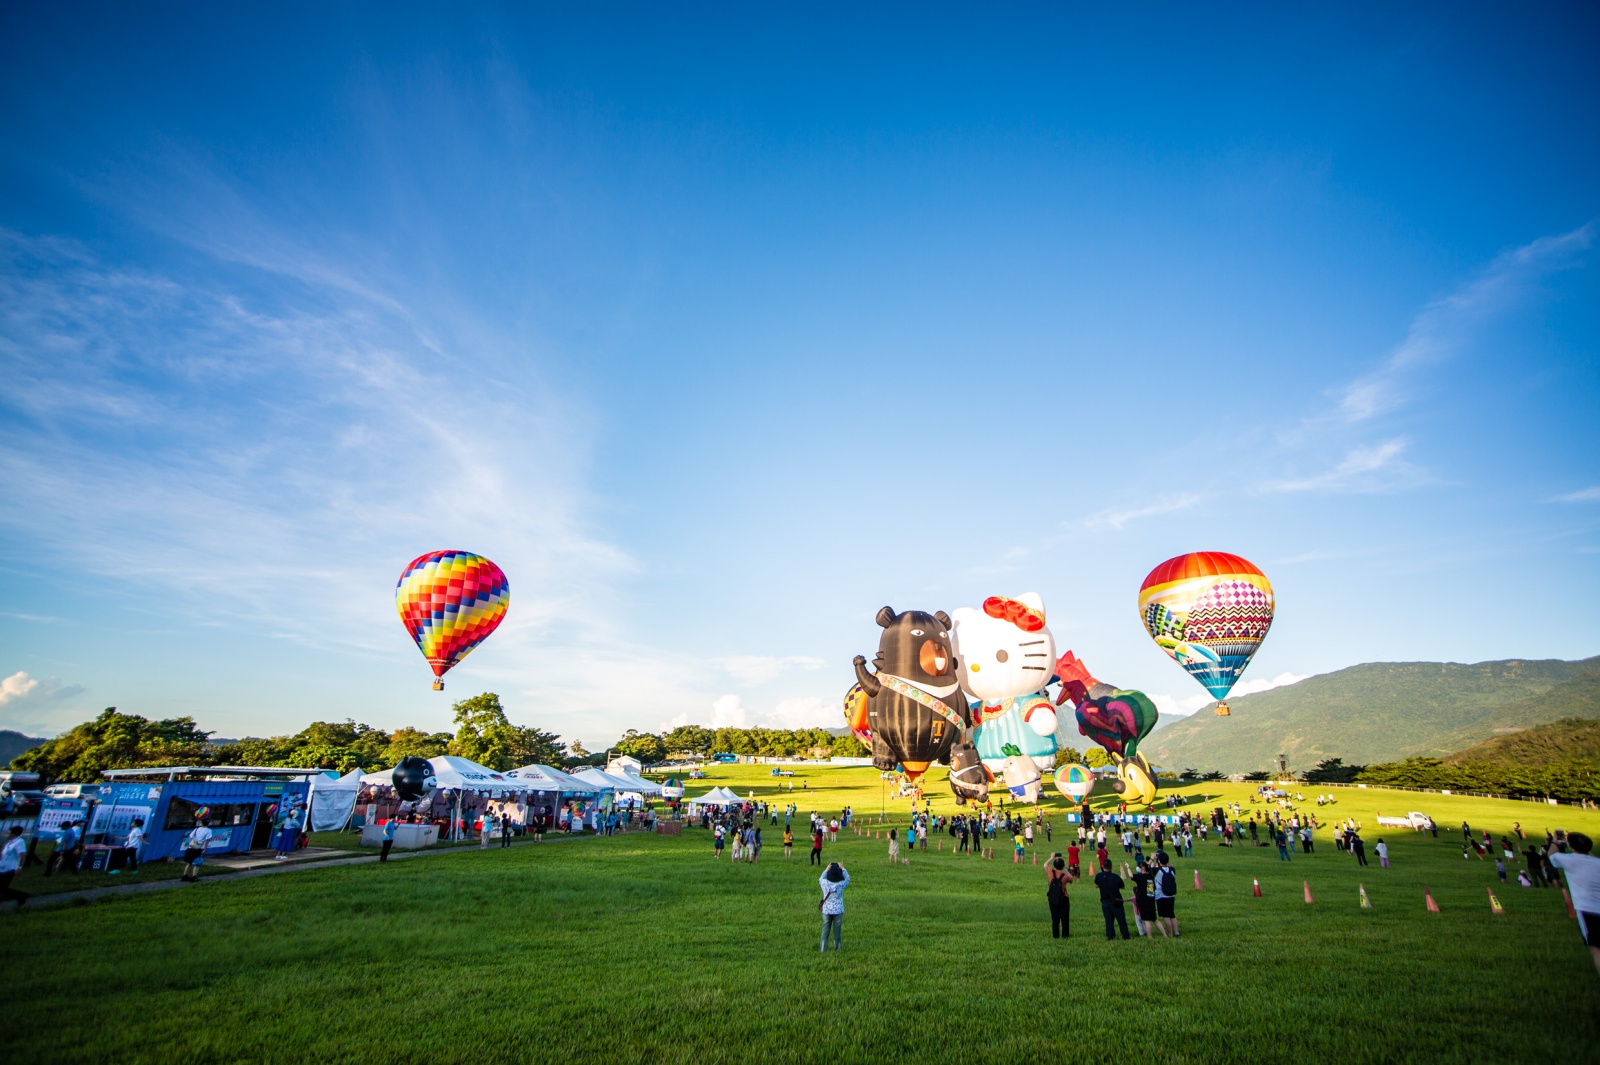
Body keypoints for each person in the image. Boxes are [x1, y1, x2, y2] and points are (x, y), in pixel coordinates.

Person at [1549, 831, 1600, 976]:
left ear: (1570, 845)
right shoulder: (1598, 862)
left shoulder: (1569, 860)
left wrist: (1554, 841)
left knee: (1596, 950)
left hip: (1588, 911)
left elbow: (1551, 855)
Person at [1094, 861, 1130, 940]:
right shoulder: (1116, 877)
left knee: (1108, 920)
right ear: (1111, 867)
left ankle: (1110, 936)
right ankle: (1125, 936)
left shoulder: (1099, 876)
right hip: (1116, 900)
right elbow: (1122, 886)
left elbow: (1096, 885)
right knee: (1121, 920)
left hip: (1105, 901)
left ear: (1103, 866)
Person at [819, 861, 849, 952]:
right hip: (838, 911)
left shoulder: (824, 883)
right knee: (837, 932)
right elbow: (848, 879)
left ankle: (823, 950)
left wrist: (826, 869)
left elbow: (820, 878)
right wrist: (843, 868)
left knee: (825, 931)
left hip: (826, 911)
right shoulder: (841, 885)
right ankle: (837, 949)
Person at [0, 826, 28, 908]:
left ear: (14, 833)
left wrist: (20, 867)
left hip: (10, 869)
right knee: (2, 888)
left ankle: (21, 896)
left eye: (9, 833)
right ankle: (20, 896)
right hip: (2, 868)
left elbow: (22, 854)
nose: (7, 834)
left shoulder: (19, 842)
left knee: (2, 888)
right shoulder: (9, 842)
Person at [1154, 853, 1180, 937]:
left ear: (1159, 861)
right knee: (1172, 914)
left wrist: (1152, 858)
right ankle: (1176, 932)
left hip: (1161, 895)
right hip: (1171, 895)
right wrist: (1167, 861)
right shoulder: (1171, 869)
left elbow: (1146, 868)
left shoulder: (1157, 870)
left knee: (1166, 915)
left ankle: (1170, 934)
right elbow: (1170, 866)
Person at [1046, 855, 1071, 938]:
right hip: (1063, 898)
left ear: (1054, 865)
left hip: (1052, 898)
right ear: (1062, 865)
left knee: (1055, 918)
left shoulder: (1050, 872)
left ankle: (1055, 935)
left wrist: (1052, 857)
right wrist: (1065, 869)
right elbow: (1071, 879)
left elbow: (1045, 865)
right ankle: (1065, 935)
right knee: (1065, 918)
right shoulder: (1065, 877)